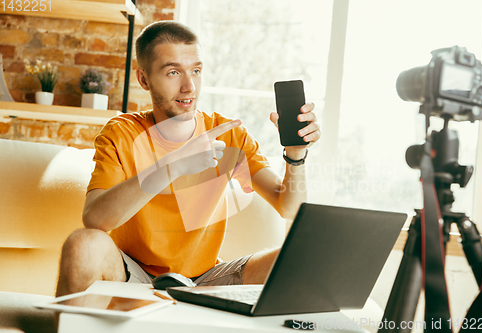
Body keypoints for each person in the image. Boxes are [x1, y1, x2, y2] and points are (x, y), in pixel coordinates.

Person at [56, 21, 321, 297]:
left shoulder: (229, 134)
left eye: (196, 70)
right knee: (83, 244)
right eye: (173, 72)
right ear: (144, 79)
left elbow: (289, 207)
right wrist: (174, 166)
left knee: (300, 256)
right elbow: (95, 219)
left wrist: (296, 156)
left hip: (206, 279)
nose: (189, 86)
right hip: (134, 275)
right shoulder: (121, 133)